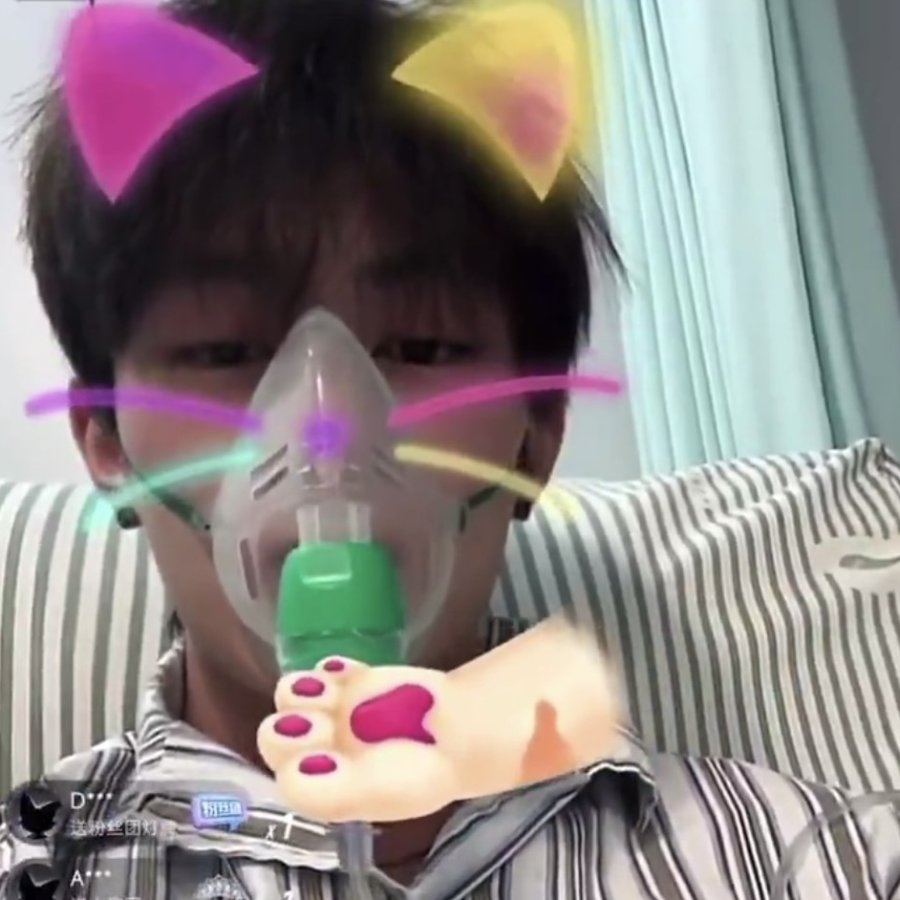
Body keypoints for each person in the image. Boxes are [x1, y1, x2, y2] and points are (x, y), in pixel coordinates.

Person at [1, 0, 898, 897]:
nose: (326, 433)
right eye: (225, 349)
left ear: (536, 435)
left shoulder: (811, 860)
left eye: (421, 346)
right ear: (107, 441)